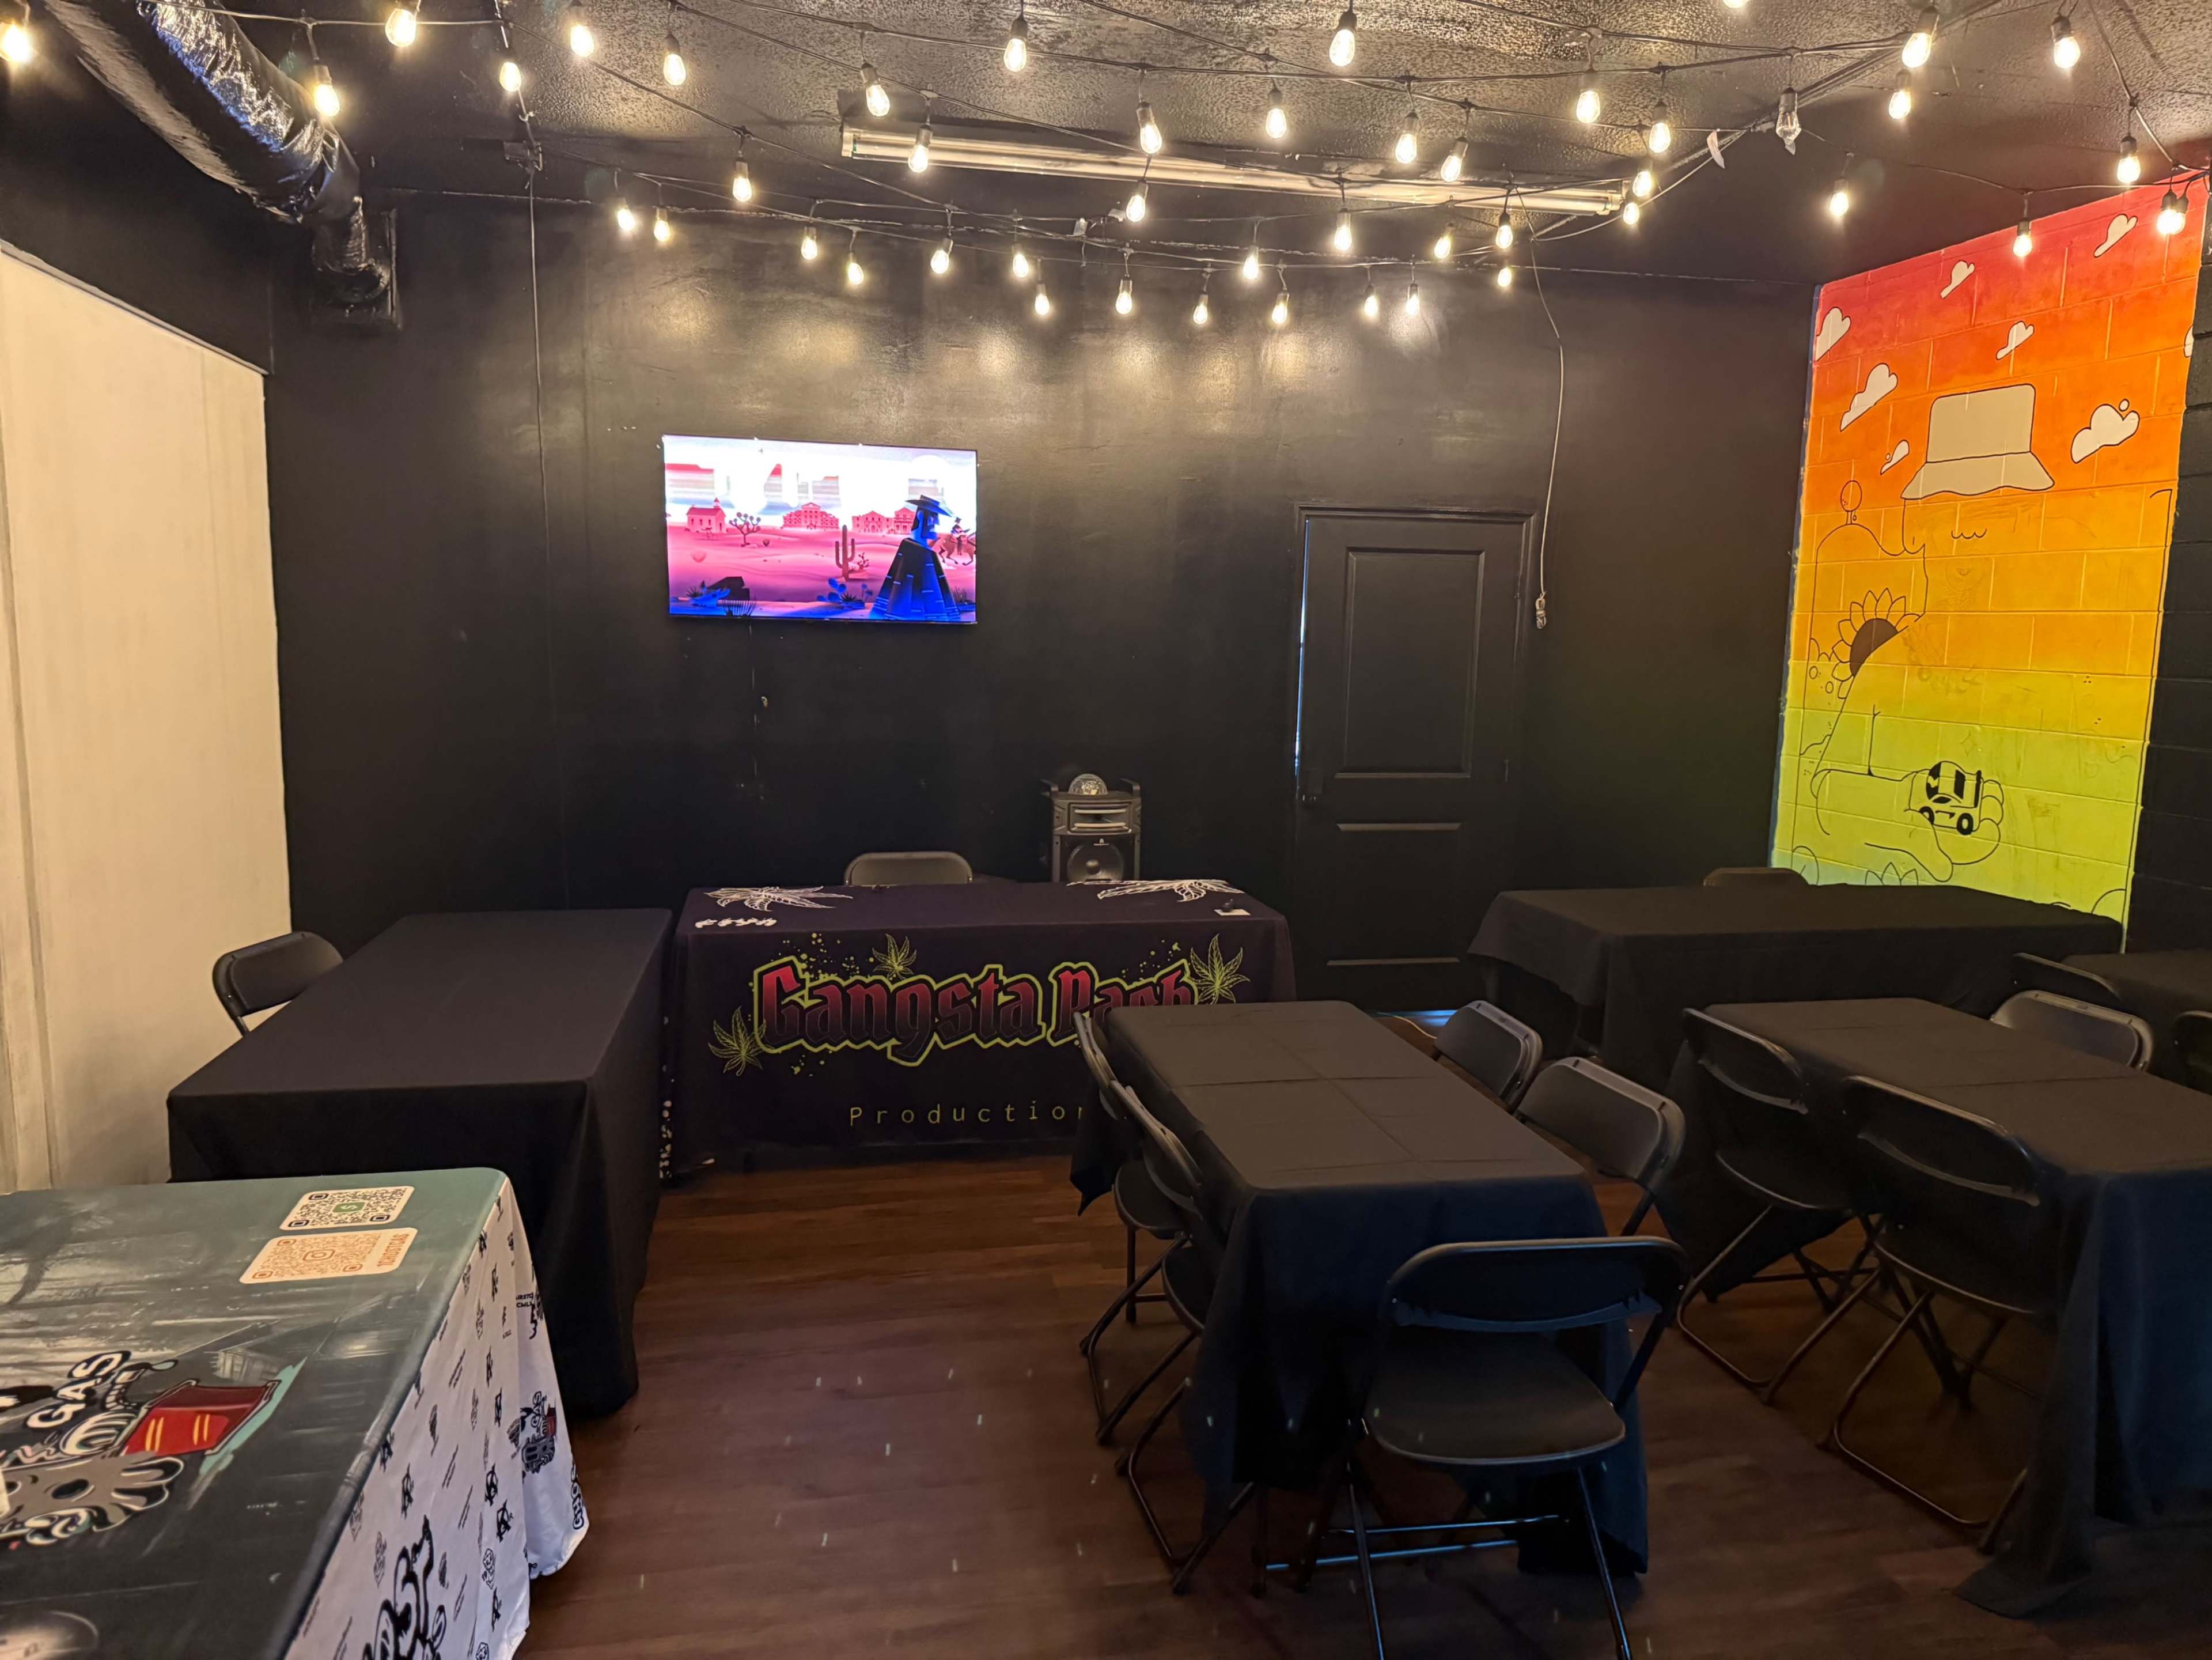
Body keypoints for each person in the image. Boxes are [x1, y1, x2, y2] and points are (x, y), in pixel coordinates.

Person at [868, 496, 962, 622]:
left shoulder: (928, 552)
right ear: (921, 516)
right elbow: (897, 581)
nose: (934, 524)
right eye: (932, 520)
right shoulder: (910, 547)